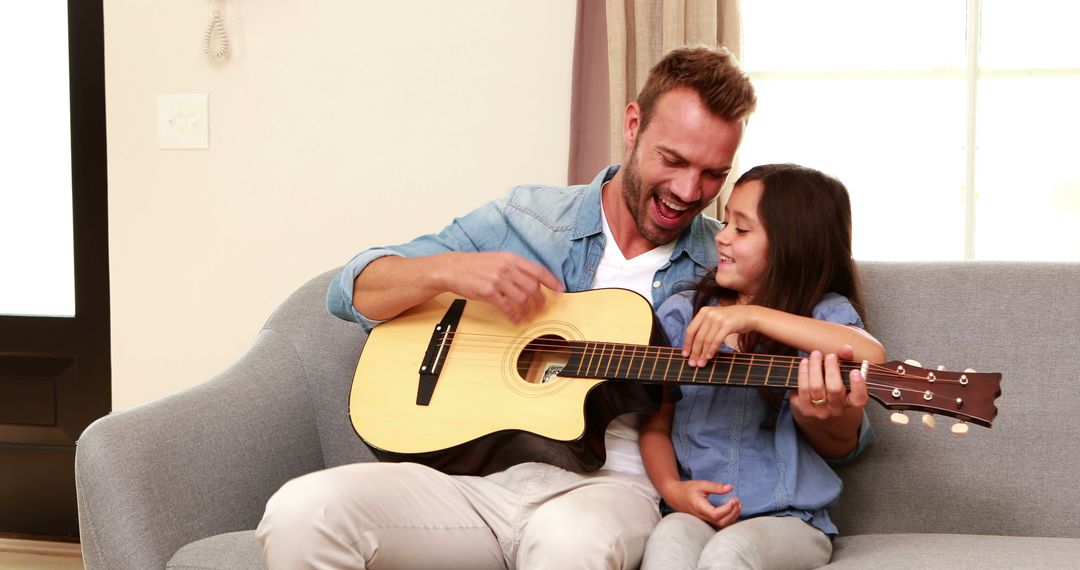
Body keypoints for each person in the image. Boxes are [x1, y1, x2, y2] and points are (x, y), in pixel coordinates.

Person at [256, 47, 847, 570]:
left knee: (570, 544)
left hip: (610, 494)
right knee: (301, 513)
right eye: (673, 160)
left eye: (713, 174)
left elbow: (845, 428)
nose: (689, 192)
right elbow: (349, 291)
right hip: (472, 486)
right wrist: (448, 270)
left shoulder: (727, 271)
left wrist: (828, 410)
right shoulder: (527, 219)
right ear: (633, 125)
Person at [638, 164, 885, 570]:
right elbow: (655, 424)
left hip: (790, 522)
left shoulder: (821, 316)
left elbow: (869, 355)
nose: (721, 236)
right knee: (667, 543)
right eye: (726, 220)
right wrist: (672, 489)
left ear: (791, 245)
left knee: (729, 554)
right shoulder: (683, 314)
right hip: (696, 513)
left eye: (742, 229)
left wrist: (751, 317)